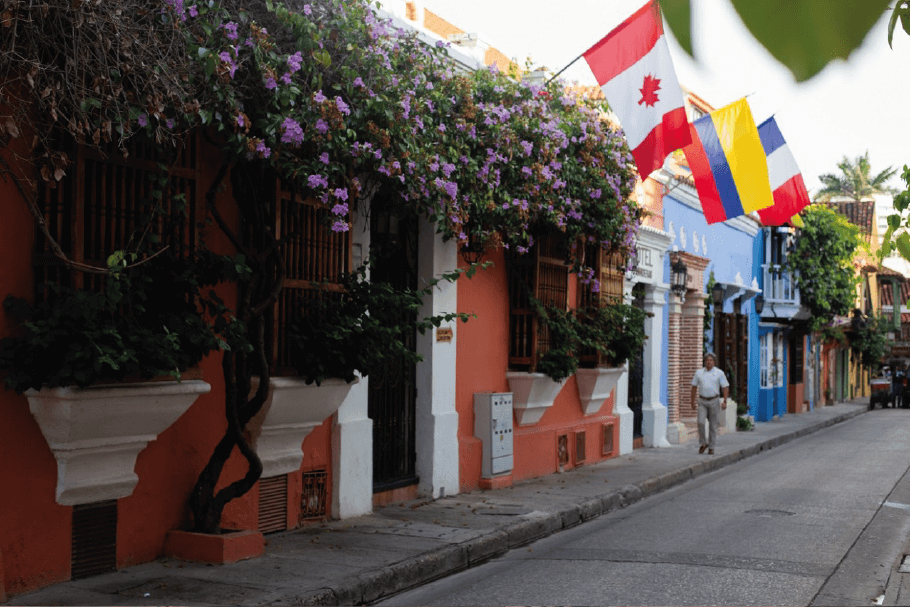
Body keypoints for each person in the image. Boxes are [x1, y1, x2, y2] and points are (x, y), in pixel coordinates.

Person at [690, 352, 729, 455]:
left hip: (714, 401)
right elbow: (694, 387)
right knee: (700, 422)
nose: (709, 362)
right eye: (707, 360)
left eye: (711, 360)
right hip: (702, 401)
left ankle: (711, 446)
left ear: (714, 362)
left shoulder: (719, 373)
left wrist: (725, 401)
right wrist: (692, 400)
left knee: (713, 425)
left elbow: (725, 387)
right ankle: (703, 443)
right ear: (704, 362)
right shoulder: (699, 373)